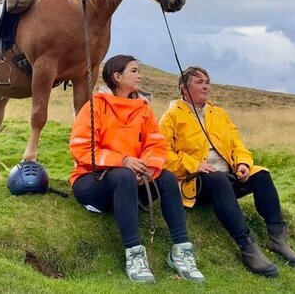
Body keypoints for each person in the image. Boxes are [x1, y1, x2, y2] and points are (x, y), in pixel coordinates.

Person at [69, 55, 204, 284]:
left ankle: (181, 250)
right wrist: (123, 160)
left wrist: (149, 168)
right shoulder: (95, 106)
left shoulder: (143, 109)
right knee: (123, 175)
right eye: (133, 71)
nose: (139, 75)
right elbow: (81, 147)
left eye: (139, 70)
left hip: (133, 181)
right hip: (92, 181)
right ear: (117, 77)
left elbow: (156, 144)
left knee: (167, 177)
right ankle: (134, 254)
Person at [159, 66, 295, 277]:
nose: (206, 86)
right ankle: (247, 247)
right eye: (199, 82)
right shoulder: (171, 116)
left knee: (261, 175)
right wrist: (195, 165)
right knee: (217, 179)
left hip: (227, 177)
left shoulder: (218, 113)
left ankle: (277, 239)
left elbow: (237, 145)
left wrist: (242, 164)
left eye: (207, 82)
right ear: (184, 89)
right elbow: (162, 154)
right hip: (197, 182)